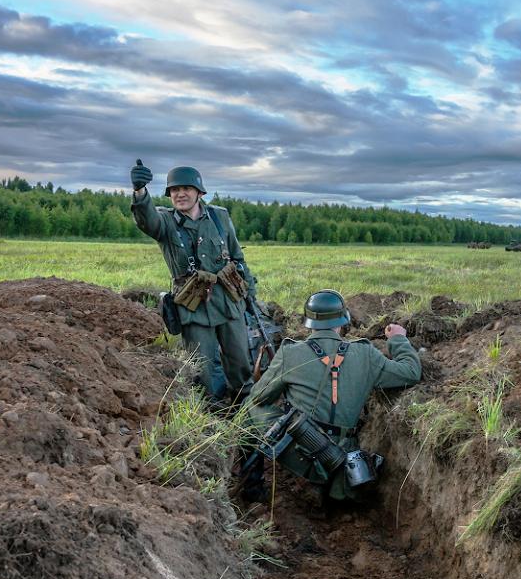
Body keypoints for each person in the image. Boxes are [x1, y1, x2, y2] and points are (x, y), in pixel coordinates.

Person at [242, 289, 421, 502]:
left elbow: (260, 397)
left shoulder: (290, 353)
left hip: (302, 455)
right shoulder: (365, 353)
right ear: (343, 321)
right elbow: (411, 372)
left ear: (309, 323)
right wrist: (398, 339)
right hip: (345, 462)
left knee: (249, 405)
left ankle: (252, 489)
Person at [129, 160, 256, 402]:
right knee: (205, 371)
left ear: (199, 192)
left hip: (229, 301)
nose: (180, 194)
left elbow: (238, 257)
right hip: (194, 306)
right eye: (174, 190)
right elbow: (146, 220)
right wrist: (140, 192)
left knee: (240, 362)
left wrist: (250, 294)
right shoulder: (164, 222)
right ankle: (215, 417)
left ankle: (247, 409)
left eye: (186, 188)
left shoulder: (220, 217)